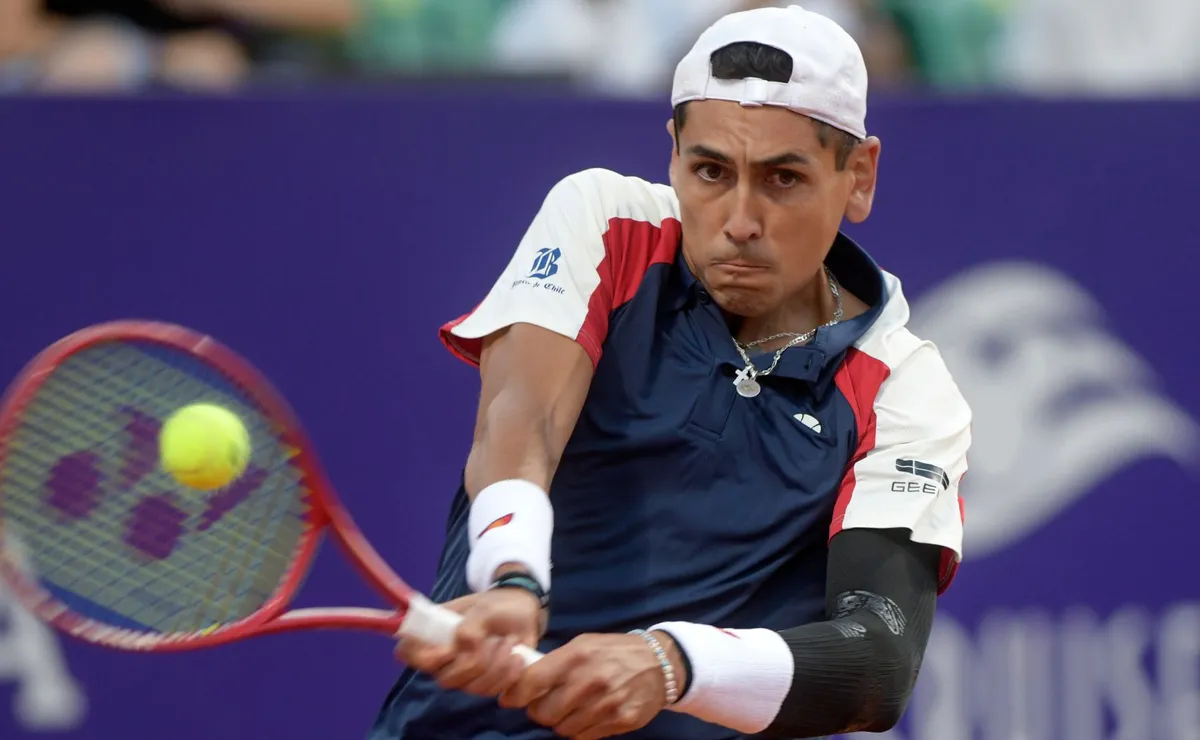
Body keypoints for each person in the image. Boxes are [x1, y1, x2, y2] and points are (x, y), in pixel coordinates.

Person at [371, 5, 971, 739]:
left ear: (859, 176)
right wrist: (512, 578)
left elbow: (877, 662)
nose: (740, 220)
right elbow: (520, 422)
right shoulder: (606, 220)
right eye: (711, 171)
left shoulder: (905, 385)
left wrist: (669, 664)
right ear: (673, 155)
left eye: (783, 178)